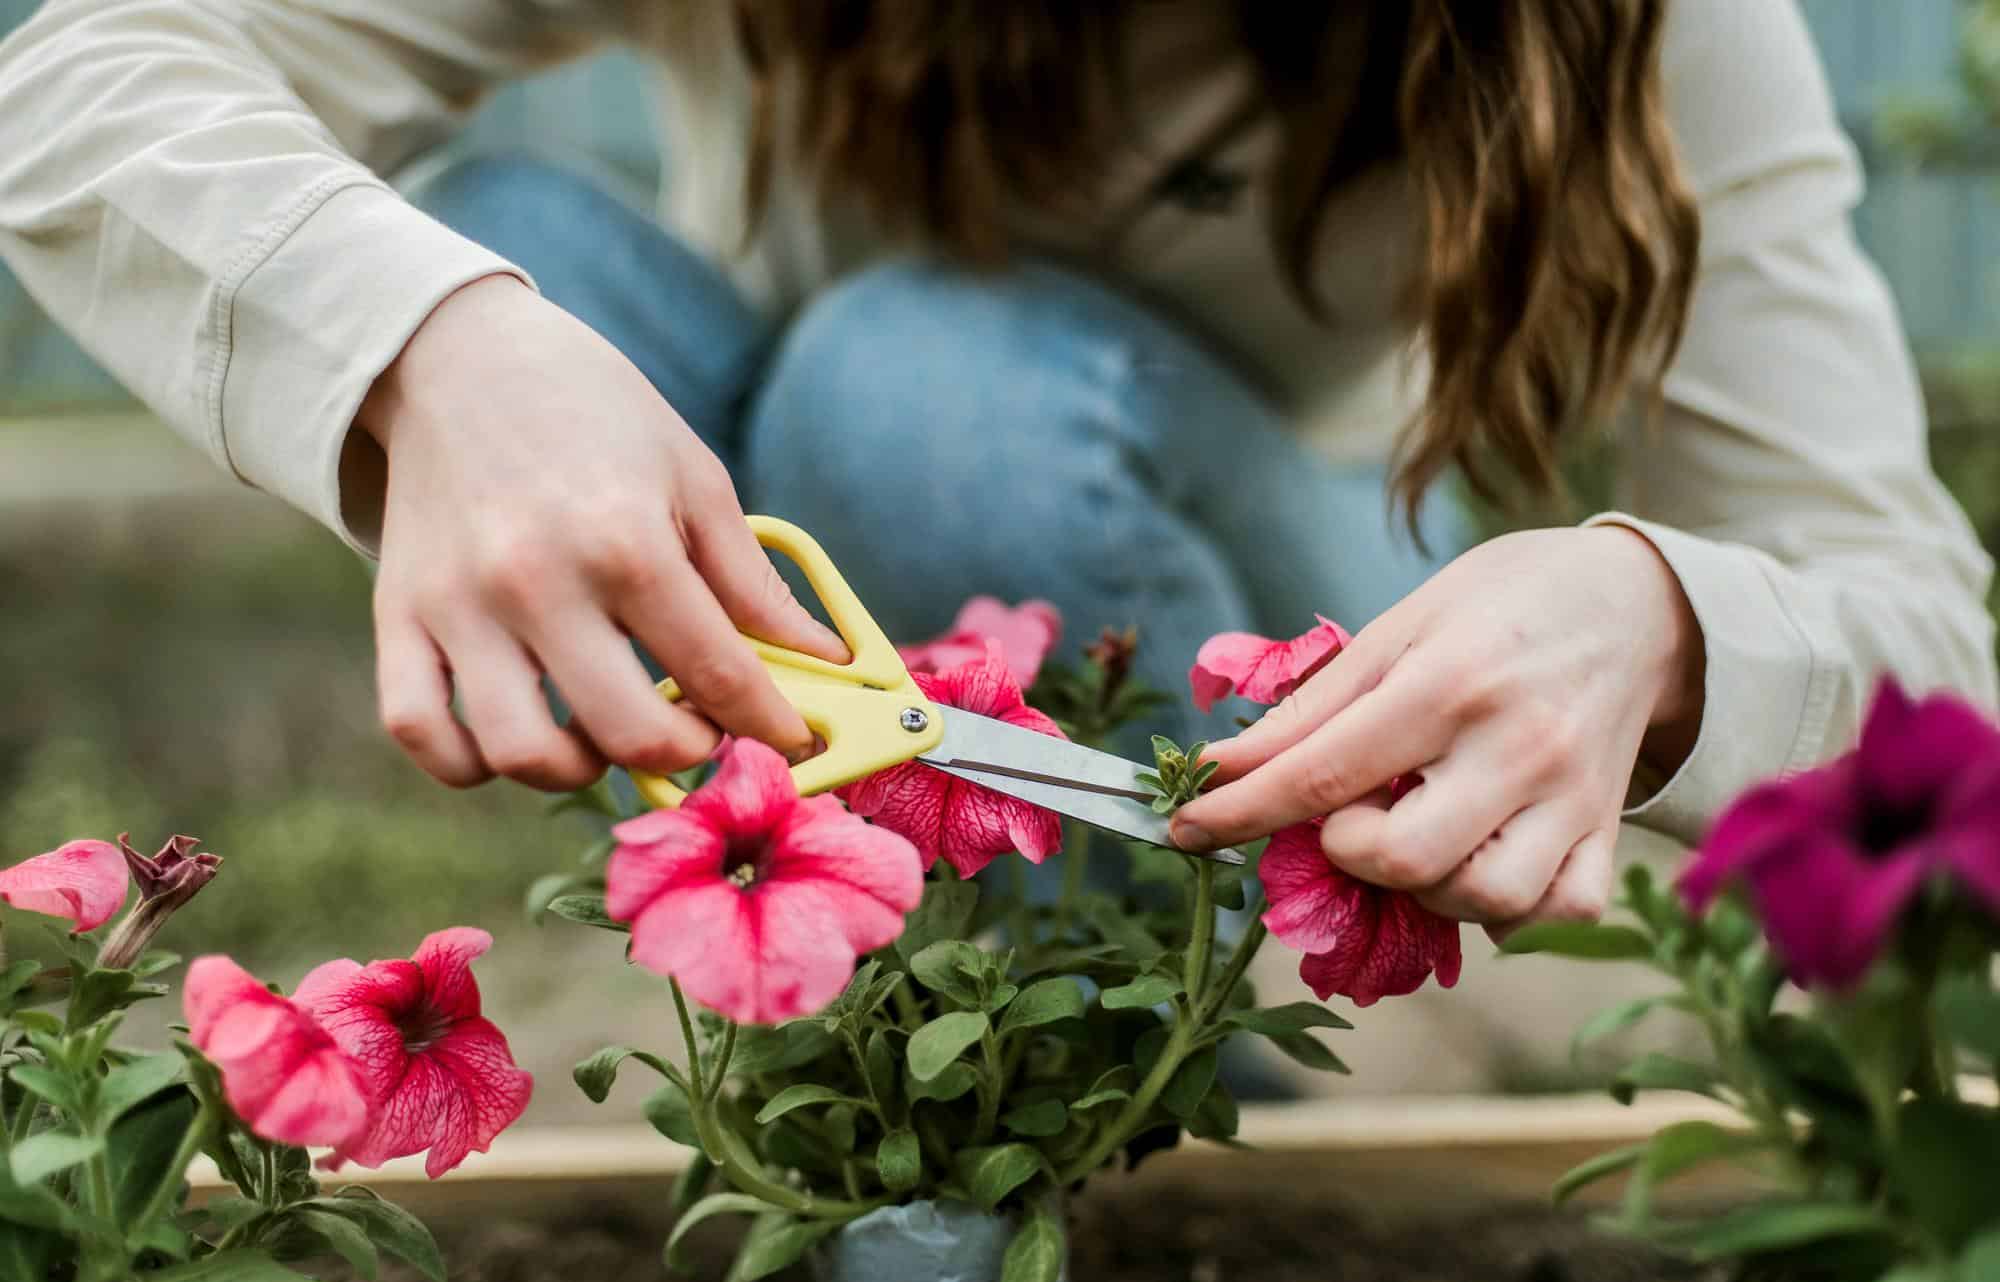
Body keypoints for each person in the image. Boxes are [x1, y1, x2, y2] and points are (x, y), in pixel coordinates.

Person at [0, 2, 1991, 941]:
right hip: (802, 565)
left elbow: (1927, 647)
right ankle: (834, 1032)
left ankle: (1122, 1034)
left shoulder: (1660, 28)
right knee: (516, 237)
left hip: (1264, 662)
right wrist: (431, 343)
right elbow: (85, 71)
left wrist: (1651, 616)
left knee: (916, 388)